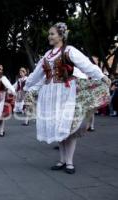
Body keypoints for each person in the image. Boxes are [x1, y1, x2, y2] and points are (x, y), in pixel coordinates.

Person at [24, 22, 110, 174]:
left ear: (61, 35)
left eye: (52, 34)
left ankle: (69, 162)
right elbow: (37, 74)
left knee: (68, 127)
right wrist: (27, 86)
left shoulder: (69, 50)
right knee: (58, 127)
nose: (49, 36)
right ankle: (62, 160)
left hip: (66, 92)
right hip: (50, 93)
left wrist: (101, 76)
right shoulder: (47, 55)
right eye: (49, 34)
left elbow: (86, 65)